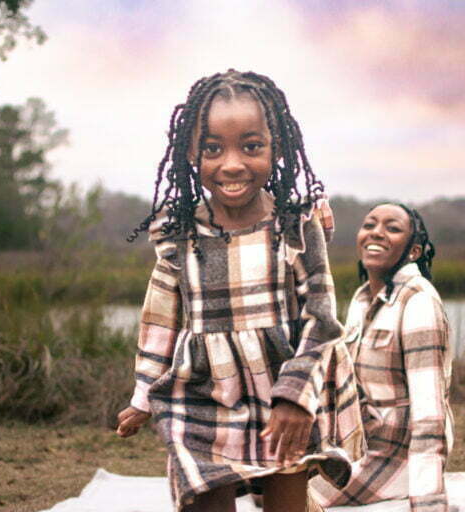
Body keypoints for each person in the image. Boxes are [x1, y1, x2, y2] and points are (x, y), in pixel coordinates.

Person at [115, 69, 362, 512]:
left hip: (284, 390)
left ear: (277, 148)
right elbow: (160, 320)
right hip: (206, 391)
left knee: (285, 500)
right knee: (203, 498)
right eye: (213, 149)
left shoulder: (296, 224)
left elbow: (321, 318)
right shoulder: (180, 233)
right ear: (192, 152)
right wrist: (143, 393)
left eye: (251, 146)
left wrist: (296, 395)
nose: (231, 164)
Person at [310, 203, 454, 512]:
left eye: (392, 228)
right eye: (370, 224)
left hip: (394, 452)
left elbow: (430, 410)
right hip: (356, 442)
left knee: (290, 498)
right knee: (264, 483)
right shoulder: (363, 298)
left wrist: (428, 500)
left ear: (414, 251)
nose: (376, 232)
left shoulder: (418, 302)